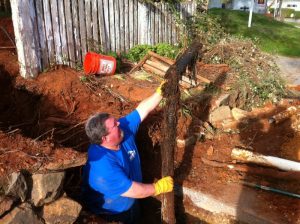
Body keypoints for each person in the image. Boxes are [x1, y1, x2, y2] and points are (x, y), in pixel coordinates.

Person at [82, 82, 174, 224]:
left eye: (116, 121)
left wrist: (159, 93)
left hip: (132, 202)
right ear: (105, 138)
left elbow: (142, 110)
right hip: (115, 213)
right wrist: (158, 188)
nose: (119, 123)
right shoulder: (102, 167)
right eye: (114, 125)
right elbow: (133, 190)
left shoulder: (122, 130)